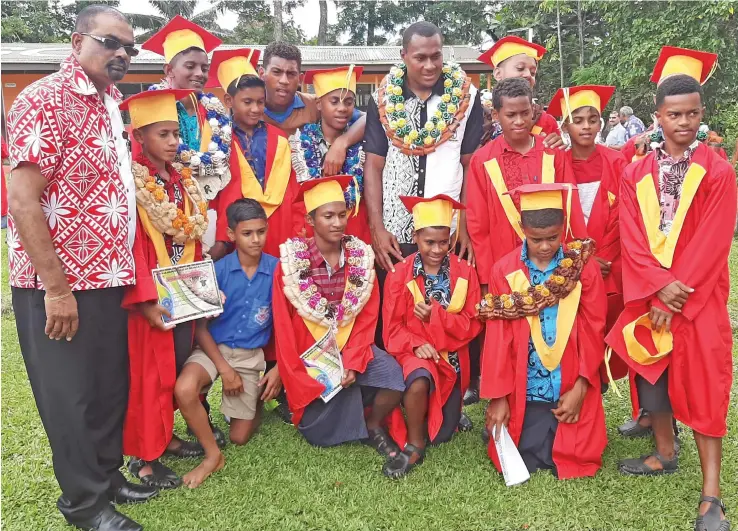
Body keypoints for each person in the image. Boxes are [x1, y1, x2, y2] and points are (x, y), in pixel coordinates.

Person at [6, 6, 155, 531]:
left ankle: (107, 477)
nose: (121, 55)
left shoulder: (112, 103)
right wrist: (57, 289)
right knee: (69, 395)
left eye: (129, 48)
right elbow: (23, 201)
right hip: (60, 284)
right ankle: (84, 505)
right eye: (110, 43)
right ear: (76, 41)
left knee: (108, 385)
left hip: (109, 276)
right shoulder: (42, 100)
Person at [606, 74, 735, 531]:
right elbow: (632, 236)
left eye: (692, 113)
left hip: (697, 298)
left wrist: (675, 291)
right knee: (652, 374)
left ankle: (712, 496)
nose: (684, 122)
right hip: (652, 292)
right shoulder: (635, 172)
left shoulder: (717, 170)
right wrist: (656, 287)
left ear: (702, 114)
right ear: (657, 117)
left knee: (705, 387)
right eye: (674, 114)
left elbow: (714, 239)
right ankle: (663, 452)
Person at [272, 175, 406, 470]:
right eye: (327, 216)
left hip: (355, 347)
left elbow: (367, 317)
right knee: (318, 431)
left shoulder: (361, 257)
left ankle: (372, 425)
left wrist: (354, 361)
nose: (337, 223)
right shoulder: (291, 265)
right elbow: (283, 327)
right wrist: (300, 370)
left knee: (395, 378)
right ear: (311, 219)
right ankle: (344, 406)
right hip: (313, 354)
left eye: (342, 215)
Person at [140, 16, 230, 445]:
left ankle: (195, 414)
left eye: (203, 65)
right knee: (160, 348)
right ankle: (159, 432)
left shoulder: (209, 109)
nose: (198, 73)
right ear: (167, 69)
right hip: (160, 233)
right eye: (189, 65)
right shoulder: (154, 111)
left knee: (191, 331)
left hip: (198, 222)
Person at [480, 183, 607, 480]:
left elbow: (594, 326)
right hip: (525, 384)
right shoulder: (504, 270)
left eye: (553, 237)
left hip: (570, 377)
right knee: (522, 449)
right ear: (522, 228)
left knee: (578, 454)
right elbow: (498, 337)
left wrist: (582, 385)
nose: (546, 247)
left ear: (564, 226)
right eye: (537, 239)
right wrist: (498, 397)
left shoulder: (580, 268)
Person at [119, 89, 210, 491]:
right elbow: (130, 245)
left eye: (176, 133)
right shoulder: (130, 183)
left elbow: (189, 235)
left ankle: (166, 438)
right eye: (163, 134)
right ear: (139, 137)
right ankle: (145, 458)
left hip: (182, 290)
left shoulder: (179, 180)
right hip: (151, 299)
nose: (174, 142)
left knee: (172, 370)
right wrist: (145, 301)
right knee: (148, 378)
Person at [175, 198, 280, 488]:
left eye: (261, 231)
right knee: (184, 389)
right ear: (232, 235)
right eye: (247, 233)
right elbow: (201, 327)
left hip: (248, 354)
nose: (256, 239)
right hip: (213, 348)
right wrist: (224, 369)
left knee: (240, 437)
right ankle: (212, 456)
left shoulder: (278, 271)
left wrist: (280, 367)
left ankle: (256, 400)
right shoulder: (216, 271)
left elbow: (288, 325)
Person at [381, 194, 482, 478]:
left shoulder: (464, 273)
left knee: (444, 435)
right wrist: (416, 344)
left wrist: (436, 317)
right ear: (415, 237)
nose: (437, 249)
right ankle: (414, 443)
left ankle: (446, 410)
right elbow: (391, 329)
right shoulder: (400, 274)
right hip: (414, 353)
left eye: (443, 241)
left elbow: (472, 324)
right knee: (419, 378)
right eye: (429, 242)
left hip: (452, 356)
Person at [467, 77, 587, 294]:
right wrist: (485, 278)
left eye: (524, 113)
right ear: (496, 115)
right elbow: (478, 224)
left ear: (532, 110)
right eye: (511, 115)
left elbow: (571, 209)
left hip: (554, 262)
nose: (519, 121)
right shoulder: (482, 160)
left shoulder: (553, 153)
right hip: (504, 265)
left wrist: (576, 261)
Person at [206, 48, 303, 261]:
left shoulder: (279, 138)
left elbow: (293, 190)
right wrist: (223, 237)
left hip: (280, 225)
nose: (255, 109)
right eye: (247, 102)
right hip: (237, 230)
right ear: (229, 101)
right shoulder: (218, 141)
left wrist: (299, 232)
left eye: (260, 102)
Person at [260, 42, 365, 179]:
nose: (284, 80)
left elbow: (367, 118)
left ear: (300, 79)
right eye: (276, 72)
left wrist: (342, 143)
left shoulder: (314, 105)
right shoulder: (252, 110)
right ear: (262, 73)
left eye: (291, 74)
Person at [291, 65, 370, 242]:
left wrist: (343, 142)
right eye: (334, 101)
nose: (342, 108)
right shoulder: (301, 144)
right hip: (312, 235)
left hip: (357, 232)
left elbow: (375, 114)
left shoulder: (362, 143)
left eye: (349, 102)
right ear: (318, 104)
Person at [477, 36, 561, 144]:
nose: (528, 75)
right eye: (520, 68)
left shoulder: (545, 121)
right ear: (498, 74)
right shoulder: (479, 117)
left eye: (533, 72)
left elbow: (557, 157)